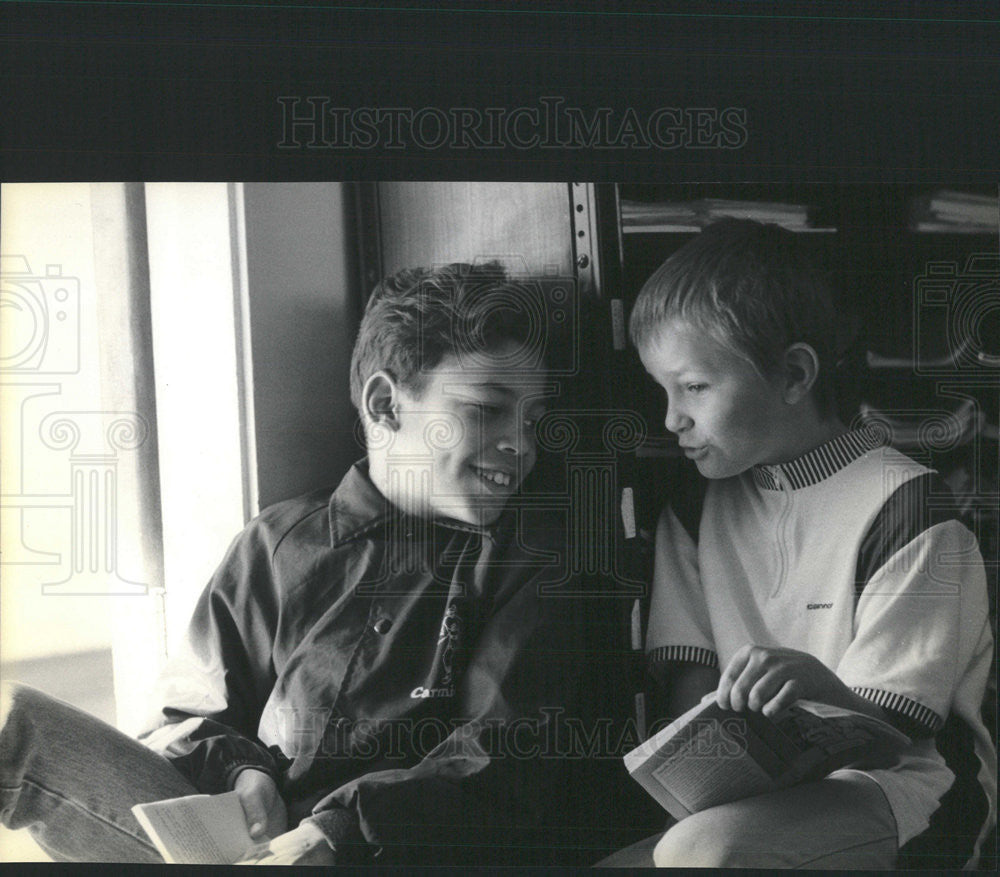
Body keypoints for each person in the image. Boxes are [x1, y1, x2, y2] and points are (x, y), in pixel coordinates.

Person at [0, 261, 584, 865]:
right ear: (385, 404)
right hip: (240, 845)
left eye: (534, 419)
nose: (523, 443)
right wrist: (243, 775)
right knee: (14, 727)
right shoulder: (276, 544)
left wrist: (334, 832)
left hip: (383, 853)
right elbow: (183, 715)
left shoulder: (530, 560)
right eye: (486, 409)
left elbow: (511, 748)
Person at [597, 220, 995, 868]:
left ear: (793, 375)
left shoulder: (909, 508)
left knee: (705, 851)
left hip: (907, 793)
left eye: (694, 386)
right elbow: (692, 699)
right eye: (662, 390)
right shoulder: (693, 510)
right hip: (761, 801)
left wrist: (820, 686)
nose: (672, 418)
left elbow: (899, 732)